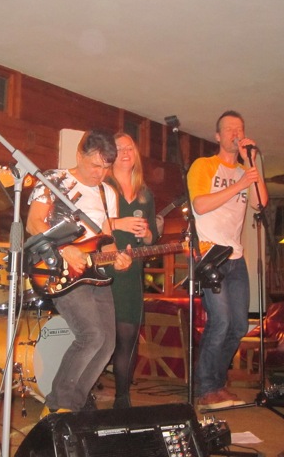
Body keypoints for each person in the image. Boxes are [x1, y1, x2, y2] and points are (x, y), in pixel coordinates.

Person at [26, 129, 132, 415]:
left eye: (106, 167)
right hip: (58, 269)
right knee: (92, 335)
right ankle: (57, 406)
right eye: (96, 165)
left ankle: (73, 406)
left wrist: (118, 258)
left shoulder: (107, 192)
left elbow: (106, 238)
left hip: (95, 274)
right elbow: (34, 223)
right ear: (79, 155)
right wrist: (64, 249)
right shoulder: (54, 179)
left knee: (107, 344)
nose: (101, 173)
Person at [187, 110, 268, 410]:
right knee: (220, 322)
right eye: (229, 129)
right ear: (218, 136)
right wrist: (239, 183)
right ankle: (206, 388)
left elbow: (261, 203)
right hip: (211, 254)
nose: (236, 133)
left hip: (236, 256)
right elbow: (200, 204)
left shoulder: (246, 170)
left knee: (238, 326)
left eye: (240, 128)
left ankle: (217, 384)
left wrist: (251, 165)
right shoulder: (204, 165)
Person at [105, 132, 158, 408]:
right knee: (102, 337)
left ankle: (122, 398)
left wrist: (147, 233)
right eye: (119, 148)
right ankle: (84, 395)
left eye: (130, 148)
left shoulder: (145, 193)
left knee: (128, 336)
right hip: (104, 269)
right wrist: (119, 223)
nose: (126, 152)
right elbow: (88, 224)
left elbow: (153, 237)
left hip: (131, 273)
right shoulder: (102, 186)